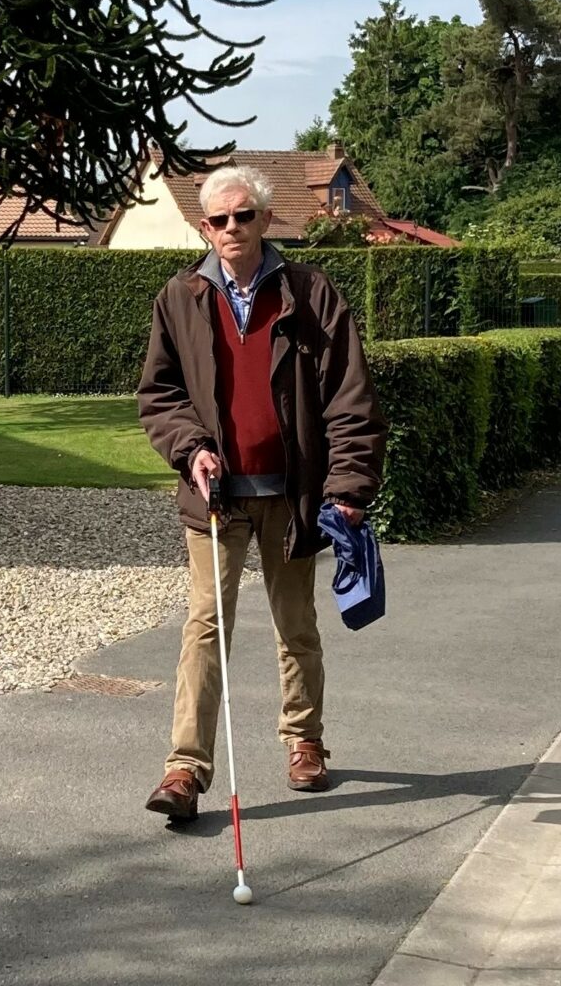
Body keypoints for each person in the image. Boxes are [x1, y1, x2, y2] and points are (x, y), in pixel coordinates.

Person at [137, 164, 387, 821]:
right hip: (214, 498)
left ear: (266, 220)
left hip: (292, 495)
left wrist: (349, 487)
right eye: (217, 220)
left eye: (243, 216)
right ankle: (185, 770)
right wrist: (192, 449)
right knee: (205, 629)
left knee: (295, 625)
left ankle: (304, 741)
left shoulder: (311, 293)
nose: (230, 229)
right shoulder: (180, 297)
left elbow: (351, 401)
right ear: (203, 227)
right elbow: (159, 396)